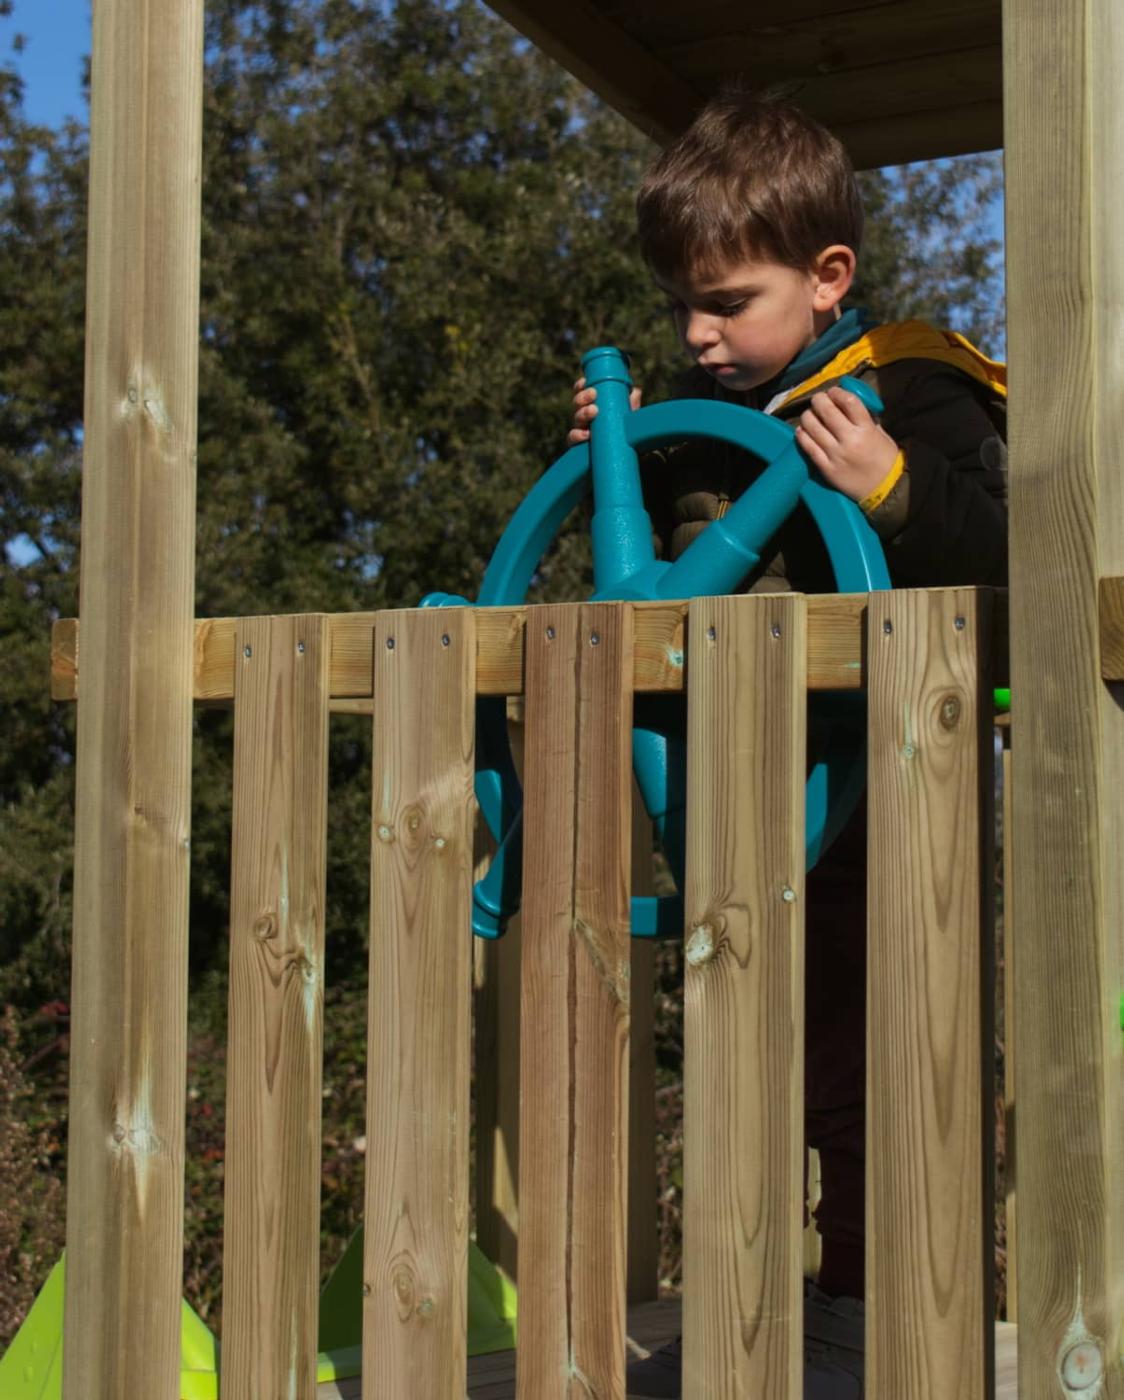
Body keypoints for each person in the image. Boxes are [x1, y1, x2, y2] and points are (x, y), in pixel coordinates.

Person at [570, 90, 1007, 1400]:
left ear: (829, 280)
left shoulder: (915, 392)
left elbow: (1014, 559)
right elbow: (656, 571)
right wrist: (618, 471)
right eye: (683, 308)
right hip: (753, 789)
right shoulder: (718, 420)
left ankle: (879, 1303)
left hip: (895, 790)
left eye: (728, 302)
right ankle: (773, 1290)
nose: (701, 337)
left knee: (892, 1049)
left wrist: (900, 490)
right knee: (758, 1038)